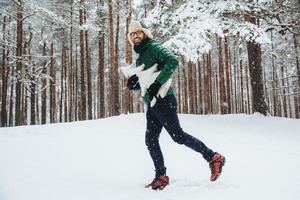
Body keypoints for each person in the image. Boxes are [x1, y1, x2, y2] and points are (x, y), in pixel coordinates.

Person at [126, 20, 226, 190]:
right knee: (150, 140)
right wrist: (133, 84)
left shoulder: (153, 46)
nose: (135, 35)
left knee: (177, 136)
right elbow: (145, 81)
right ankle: (161, 176)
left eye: (138, 32)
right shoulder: (141, 55)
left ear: (145, 33)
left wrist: (159, 82)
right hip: (152, 104)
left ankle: (213, 157)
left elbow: (172, 60)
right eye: (132, 33)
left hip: (164, 100)